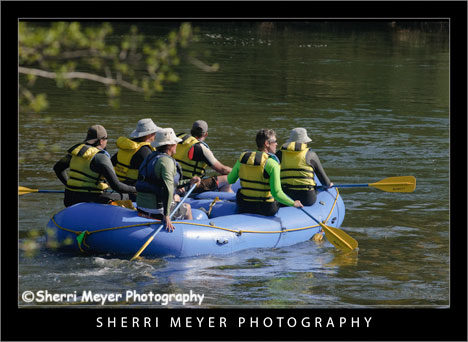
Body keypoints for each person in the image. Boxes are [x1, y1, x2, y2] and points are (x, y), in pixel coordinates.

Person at [53, 125, 137, 207]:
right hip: (90, 200)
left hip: (69, 198)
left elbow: (57, 168)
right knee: (129, 196)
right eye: (106, 139)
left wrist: (69, 185)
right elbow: (117, 186)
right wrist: (136, 189)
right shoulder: (100, 157)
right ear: (101, 141)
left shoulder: (76, 153)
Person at [136, 128, 201, 231]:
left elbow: (166, 183)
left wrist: (189, 182)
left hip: (140, 207)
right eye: (175, 142)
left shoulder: (150, 157)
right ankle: (191, 232)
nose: (177, 145)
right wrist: (166, 216)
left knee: (175, 198)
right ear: (171, 145)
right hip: (156, 210)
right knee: (187, 208)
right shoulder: (167, 162)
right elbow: (168, 188)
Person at [227, 129, 303, 216]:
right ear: (267, 143)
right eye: (275, 141)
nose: (276, 144)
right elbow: (277, 193)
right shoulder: (272, 164)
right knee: (278, 200)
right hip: (265, 209)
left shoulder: (243, 158)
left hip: (244, 206)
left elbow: (230, 180)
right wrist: (293, 203)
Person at [276, 127, 333, 206]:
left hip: (286, 196)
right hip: (307, 198)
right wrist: (329, 184)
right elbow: (325, 182)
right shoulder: (311, 155)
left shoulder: (279, 154)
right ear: (305, 142)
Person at [173, 120, 232, 194]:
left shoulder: (176, 140)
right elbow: (222, 170)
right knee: (228, 178)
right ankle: (228, 201)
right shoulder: (201, 148)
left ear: (191, 131)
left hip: (174, 182)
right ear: (206, 134)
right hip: (191, 184)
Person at [111, 118, 159, 200]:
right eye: (154, 133)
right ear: (148, 135)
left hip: (118, 186)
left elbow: (111, 163)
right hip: (134, 192)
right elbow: (153, 175)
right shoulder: (145, 151)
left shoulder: (126, 148)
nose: (155, 136)